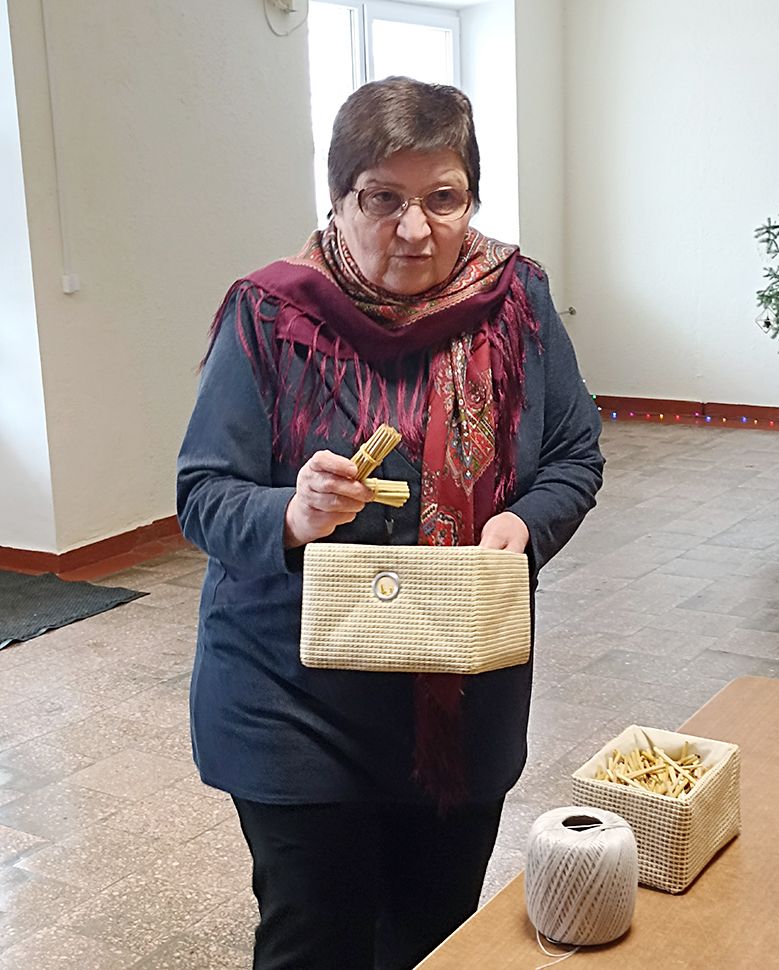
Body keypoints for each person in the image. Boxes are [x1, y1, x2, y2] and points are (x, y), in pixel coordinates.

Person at [177, 76, 604, 970]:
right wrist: (292, 512)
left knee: (431, 931)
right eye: (382, 198)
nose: (415, 229)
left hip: (459, 687)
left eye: (443, 197)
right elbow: (203, 493)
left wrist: (523, 525)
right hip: (291, 697)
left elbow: (573, 456)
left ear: (470, 198)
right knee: (314, 935)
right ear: (338, 201)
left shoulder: (514, 300)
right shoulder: (272, 313)